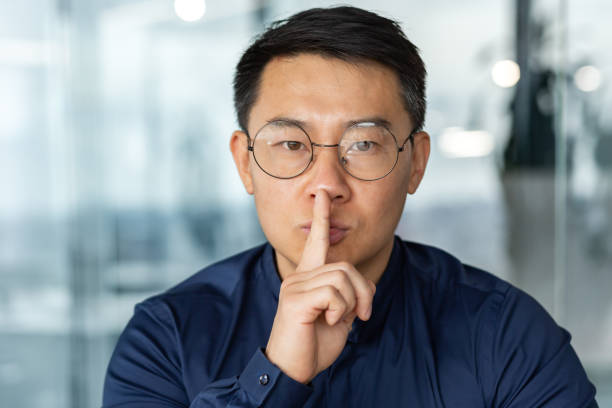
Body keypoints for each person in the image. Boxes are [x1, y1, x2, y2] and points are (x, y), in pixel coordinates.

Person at [102, 6, 598, 407]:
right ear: (245, 163)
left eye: (363, 144)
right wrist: (276, 376)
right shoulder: (166, 339)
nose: (326, 185)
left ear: (416, 164)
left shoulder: (506, 336)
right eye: (291, 145)